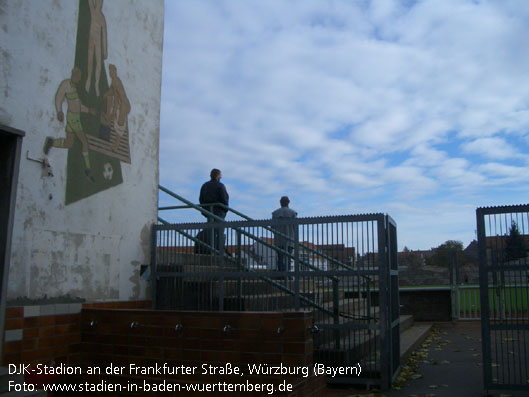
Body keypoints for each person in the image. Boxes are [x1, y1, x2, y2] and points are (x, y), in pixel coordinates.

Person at [43, 67, 96, 182]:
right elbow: (58, 98)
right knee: (84, 142)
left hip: (73, 117)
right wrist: (59, 111)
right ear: (74, 75)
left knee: (69, 143)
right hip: (73, 119)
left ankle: (52, 142)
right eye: (79, 76)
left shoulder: (74, 88)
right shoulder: (66, 84)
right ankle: (88, 170)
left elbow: (78, 106)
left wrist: (88, 110)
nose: (80, 79)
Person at [199, 169, 229, 252]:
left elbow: (201, 199)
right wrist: (225, 210)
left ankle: (210, 250)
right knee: (220, 232)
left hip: (208, 212)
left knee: (210, 231)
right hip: (219, 212)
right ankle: (218, 251)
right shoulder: (220, 186)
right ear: (218, 176)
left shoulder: (204, 185)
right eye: (220, 176)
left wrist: (205, 211)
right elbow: (225, 200)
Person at [272, 196, 297, 273]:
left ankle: (281, 274)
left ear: (280, 203)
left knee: (280, 257)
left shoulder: (275, 213)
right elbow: (295, 227)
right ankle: (287, 274)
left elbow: (272, 226)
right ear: (288, 202)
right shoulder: (293, 213)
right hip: (290, 240)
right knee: (288, 258)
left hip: (279, 240)